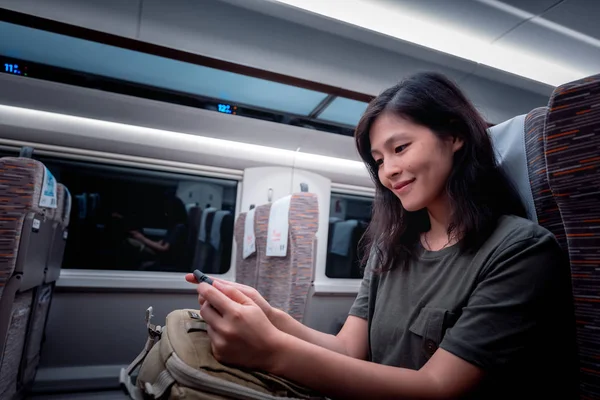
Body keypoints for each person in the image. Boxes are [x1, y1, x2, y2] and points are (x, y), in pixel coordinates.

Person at [185, 72, 579, 399]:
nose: (388, 170)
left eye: (401, 148)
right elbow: (348, 350)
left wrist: (272, 352)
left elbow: (437, 387)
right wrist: (270, 316)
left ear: (455, 136)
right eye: (378, 160)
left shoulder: (519, 251)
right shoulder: (391, 248)